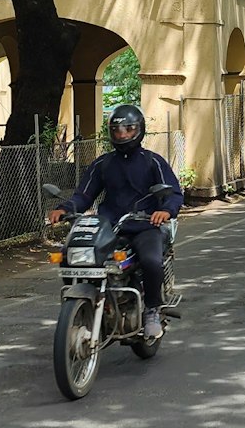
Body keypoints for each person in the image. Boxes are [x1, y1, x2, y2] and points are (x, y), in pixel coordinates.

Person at [49, 105, 184, 342]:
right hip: (109, 227)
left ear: (139, 130)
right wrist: (65, 209)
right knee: (69, 254)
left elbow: (173, 193)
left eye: (128, 129)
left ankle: (152, 310)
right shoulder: (103, 164)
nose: (122, 135)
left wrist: (165, 210)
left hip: (143, 226)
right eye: (117, 130)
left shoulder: (153, 161)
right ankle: (84, 302)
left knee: (152, 261)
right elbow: (84, 195)